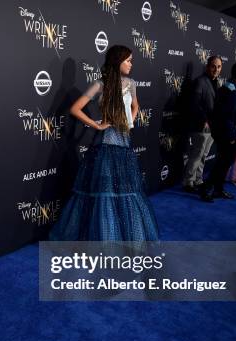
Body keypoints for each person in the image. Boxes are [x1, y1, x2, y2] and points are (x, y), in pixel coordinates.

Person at [49, 45, 159, 241]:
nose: (131, 64)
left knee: (124, 190)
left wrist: (129, 122)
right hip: (105, 144)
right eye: (128, 60)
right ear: (117, 62)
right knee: (103, 192)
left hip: (124, 143)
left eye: (131, 60)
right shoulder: (100, 84)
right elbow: (75, 109)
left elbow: (136, 106)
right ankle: (102, 239)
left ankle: (122, 239)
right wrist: (96, 125)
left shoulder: (131, 83)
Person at [199, 60, 236, 202]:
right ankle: (207, 188)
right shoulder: (233, 90)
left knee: (224, 160)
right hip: (227, 132)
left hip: (223, 130)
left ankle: (218, 189)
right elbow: (226, 115)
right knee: (224, 161)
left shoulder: (231, 86)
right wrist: (232, 135)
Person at [182, 56, 222, 193]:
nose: (216, 69)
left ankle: (198, 180)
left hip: (213, 125)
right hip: (201, 125)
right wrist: (204, 120)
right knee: (197, 154)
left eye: (219, 67)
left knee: (204, 155)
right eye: (213, 66)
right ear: (207, 67)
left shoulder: (217, 83)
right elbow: (194, 103)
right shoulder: (200, 81)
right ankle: (188, 182)